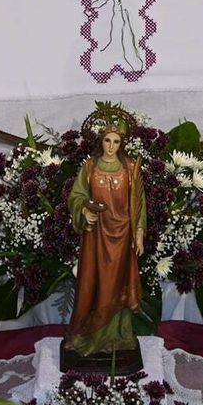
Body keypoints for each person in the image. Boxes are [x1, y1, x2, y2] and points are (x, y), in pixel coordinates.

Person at [66, 115, 146, 358]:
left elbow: (139, 203)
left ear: (122, 144)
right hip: (96, 236)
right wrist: (83, 211)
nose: (111, 146)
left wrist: (140, 233)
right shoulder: (90, 167)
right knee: (93, 283)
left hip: (122, 236)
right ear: (101, 141)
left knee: (117, 284)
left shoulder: (131, 169)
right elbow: (76, 195)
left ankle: (119, 336)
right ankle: (87, 335)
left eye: (116, 142)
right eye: (107, 141)